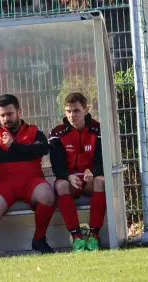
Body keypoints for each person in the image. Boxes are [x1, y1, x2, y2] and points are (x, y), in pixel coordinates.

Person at [0, 94, 56, 258]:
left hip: (31, 182)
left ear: (19, 111)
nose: (6, 119)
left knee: (47, 196)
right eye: (2, 115)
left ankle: (39, 239)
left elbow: (43, 149)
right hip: (2, 185)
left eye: (9, 114)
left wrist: (13, 146)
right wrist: (26, 152)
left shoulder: (34, 130)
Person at [49, 92, 106, 251]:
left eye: (76, 111)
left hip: (91, 178)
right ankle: (77, 238)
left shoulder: (99, 129)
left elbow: (103, 161)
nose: (71, 115)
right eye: (68, 111)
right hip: (70, 179)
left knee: (101, 181)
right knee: (60, 186)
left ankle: (94, 236)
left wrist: (92, 174)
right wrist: (68, 176)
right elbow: (57, 166)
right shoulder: (57, 133)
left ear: (86, 110)